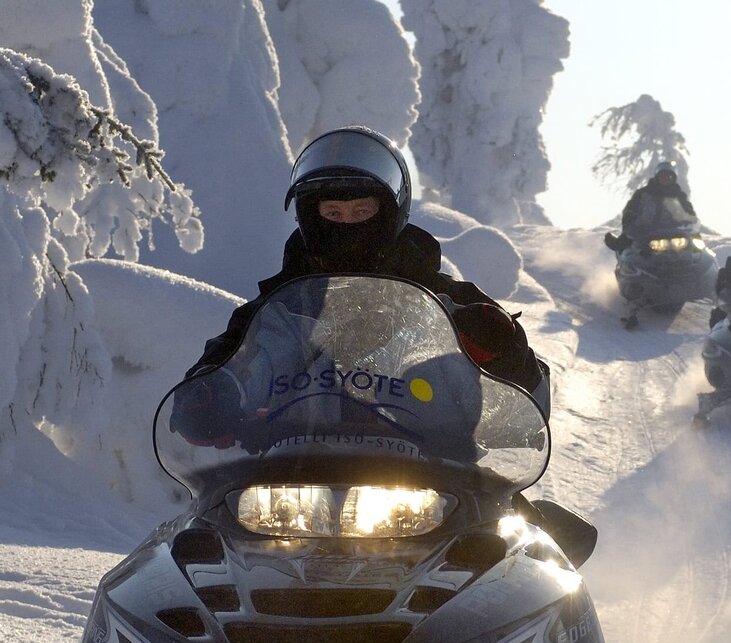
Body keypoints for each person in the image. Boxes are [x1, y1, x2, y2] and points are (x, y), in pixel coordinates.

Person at [173, 125, 549, 445]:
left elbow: (531, 408)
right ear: (310, 217)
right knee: (207, 515)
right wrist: (209, 395)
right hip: (291, 478)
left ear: (389, 213)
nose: (346, 225)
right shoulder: (277, 310)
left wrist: (504, 352)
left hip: (435, 478)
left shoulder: (449, 302)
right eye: (332, 213)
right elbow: (230, 367)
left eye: (361, 211)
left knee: (514, 515)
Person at [605, 160, 697, 251]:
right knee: (626, 244)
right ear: (657, 177)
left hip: (675, 234)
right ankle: (618, 245)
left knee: (699, 247)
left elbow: (689, 212)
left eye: (669, 177)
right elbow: (630, 210)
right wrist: (630, 224)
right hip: (646, 232)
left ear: (673, 178)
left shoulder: (679, 196)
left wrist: (691, 224)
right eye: (663, 176)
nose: (665, 179)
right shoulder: (643, 193)